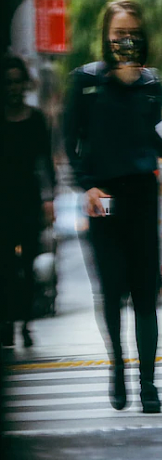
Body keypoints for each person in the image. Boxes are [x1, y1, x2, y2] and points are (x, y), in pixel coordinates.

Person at [63, 0, 162, 413]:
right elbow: (70, 141)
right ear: (106, 37)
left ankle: (149, 384)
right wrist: (87, 186)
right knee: (111, 292)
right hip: (103, 202)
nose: (125, 41)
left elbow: (158, 139)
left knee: (146, 295)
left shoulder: (152, 84)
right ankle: (118, 369)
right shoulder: (86, 82)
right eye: (118, 34)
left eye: (132, 33)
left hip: (144, 199)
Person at [1, 56, 56, 348]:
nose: (13, 88)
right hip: (3, 203)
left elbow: (46, 164)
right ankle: (8, 321)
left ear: (25, 84)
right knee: (7, 266)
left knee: (29, 262)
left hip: (28, 202)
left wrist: (49, 200)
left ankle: (25, 322)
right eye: (7, 82)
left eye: (17, 81)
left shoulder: (35, 120)